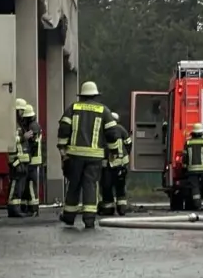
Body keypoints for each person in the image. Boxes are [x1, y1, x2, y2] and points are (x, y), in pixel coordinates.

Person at [56, 81, 118, 229]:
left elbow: (64, 128)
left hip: (75, 155)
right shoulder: (104, 110)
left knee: (74, 184)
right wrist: (113, 151)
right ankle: (89, 219)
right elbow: (111, 133)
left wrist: (63, 148)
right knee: (90, 185)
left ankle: (69, 216)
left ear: (82, 95)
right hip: (94, 156)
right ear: (95, 95)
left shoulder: (73, 108)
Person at [6, 98, 32, 219]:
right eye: (21, 111)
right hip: (15, 159)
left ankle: (16, 208)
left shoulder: (18, 123)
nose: (23, 114)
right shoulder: (12, 124)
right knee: (15, 184)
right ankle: (13, 208)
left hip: (20, 159)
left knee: (19, 185)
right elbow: (10, 141)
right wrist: (23, 137)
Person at [103, 111, 131, 216]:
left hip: (108, 164)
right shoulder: (122, 130)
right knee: (120, 187)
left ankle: (108, 209)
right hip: (121, 163)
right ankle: (122, 208)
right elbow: (129, 144)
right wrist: (126, 155)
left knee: (107, 186)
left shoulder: (104, 131)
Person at [18, 102, 43, 217]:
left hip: (33, 160)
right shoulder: (34, 125)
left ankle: (33, 208)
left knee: (31, 184)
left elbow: (31, 144)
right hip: (32, 160)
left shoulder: (33, 127)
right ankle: (27, 207)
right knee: (28, 184)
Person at [184, 122, 203, 210]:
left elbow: (185, 157)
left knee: (195, 187)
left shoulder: (188, 143)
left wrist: (185, 165)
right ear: (201, 133)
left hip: (192, 170)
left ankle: (197, 205)